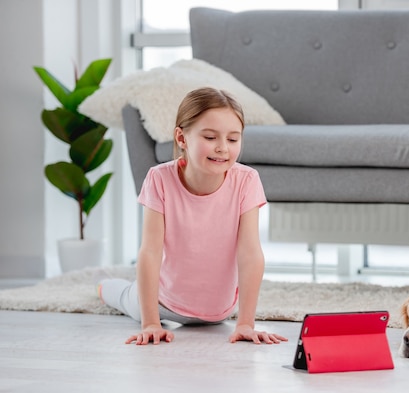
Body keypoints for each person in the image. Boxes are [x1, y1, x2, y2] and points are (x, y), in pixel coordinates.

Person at [98, 87, 288, 346]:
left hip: (219, 312)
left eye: (233, 140)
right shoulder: (159, 178)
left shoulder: (247, 180)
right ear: (182, 138)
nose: (222, 148)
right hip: (163, 302)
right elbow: (150, 251)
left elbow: (250, 253)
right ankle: (104, 287)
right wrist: (151, 323)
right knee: (121, 296)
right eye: (210, 137)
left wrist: (245, 323)